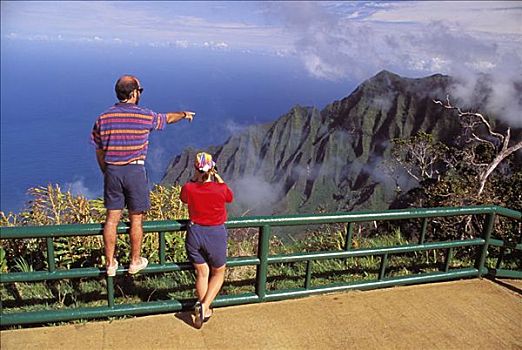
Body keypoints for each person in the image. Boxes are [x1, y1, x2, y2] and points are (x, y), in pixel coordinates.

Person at [91, 74, 195, 277]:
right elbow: (166, 118)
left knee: (111, 219)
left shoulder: (103, 118)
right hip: (134, 171)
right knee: (136, 220)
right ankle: (135, 261)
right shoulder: (144, 115)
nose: (140, 93)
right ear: (133, 93)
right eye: (140, 90)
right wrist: (183, 114)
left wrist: (107, 170)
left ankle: (110, 263)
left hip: (112, 170)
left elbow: (99, 149)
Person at [180, 152, 234, 329]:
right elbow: (229, 197)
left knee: (202, 273)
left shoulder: (189, 187)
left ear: (195, 169)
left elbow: (184, 199)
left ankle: (207, 310)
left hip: (194, 233)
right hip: (215, 234)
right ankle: (203, 306)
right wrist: (218, 178)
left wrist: (196, 179)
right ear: (212, 169)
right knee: (218, 273)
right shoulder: (221, 188)